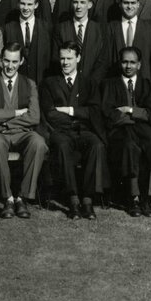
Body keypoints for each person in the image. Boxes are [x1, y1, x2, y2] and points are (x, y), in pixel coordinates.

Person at [0, 42, 47, 219]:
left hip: (21, 132)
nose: (10, 66)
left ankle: (21, 197)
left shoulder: (29, 84)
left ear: (21, 61)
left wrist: (6, 122)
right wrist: (16, 113)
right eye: (6, 61)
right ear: (0, 60)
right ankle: (8, 198)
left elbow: (34, 117)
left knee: (39, 143)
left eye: (14, 62)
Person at [39, 42, 107, 220]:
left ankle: (88, 199)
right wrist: (78, 115)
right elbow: (50, 113)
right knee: (62, 146)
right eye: (62, 58)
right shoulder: (49, 83)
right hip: (61, 131)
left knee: (97, 145)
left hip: (84, 130)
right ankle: (73, 199)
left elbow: (93, 111)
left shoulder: (88, 82)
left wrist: (69, 110)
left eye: (69, 58)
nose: (65, 62)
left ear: (78, 58)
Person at [100, 46, 151, 217]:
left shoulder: (147, 84)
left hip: (143, 129)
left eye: (132, 62)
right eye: (125, 62)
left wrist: (129, 110)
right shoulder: (110, 84)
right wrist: (137, 114)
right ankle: (133, 198)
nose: (128, 66)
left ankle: (147, 198)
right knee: (130, 147)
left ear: (139, 65)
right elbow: (109, 113)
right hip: (120, 130)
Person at [53, 0, 111, 80]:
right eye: (75, 2)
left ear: (89, 5)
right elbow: (56, 59)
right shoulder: (61, 29)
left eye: (82, 2)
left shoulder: (99, 30)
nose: (78, 6)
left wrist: (90, 84)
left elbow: (103, 61)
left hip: (92, 86)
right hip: (67, 84)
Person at [3, 0, 51, 85]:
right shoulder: (8, 28)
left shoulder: (46, 28)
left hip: (39, 83)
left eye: (29, 4)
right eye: (22, 4)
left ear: (36, 5)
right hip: (16, 83)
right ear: (18, 4)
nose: (26, 8)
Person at [109, 0, 151, 77]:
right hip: (116, 81)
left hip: (143, 82)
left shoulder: (150, 28)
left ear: (138, 4)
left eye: (133, 3)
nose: (129, 6)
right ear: (120, 4)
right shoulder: (110, 28)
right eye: (126, 3)